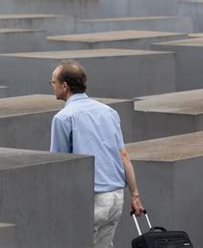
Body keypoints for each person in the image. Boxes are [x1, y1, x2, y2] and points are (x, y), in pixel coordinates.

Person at [49, 60, 144, 248]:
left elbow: (58, 163)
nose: (52, 86)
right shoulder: (109, 112)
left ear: (65, 86)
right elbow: (123, 155)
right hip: (116, 198)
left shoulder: (63, 118)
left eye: (53, 82)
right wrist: (135, 196)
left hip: (92, 200)